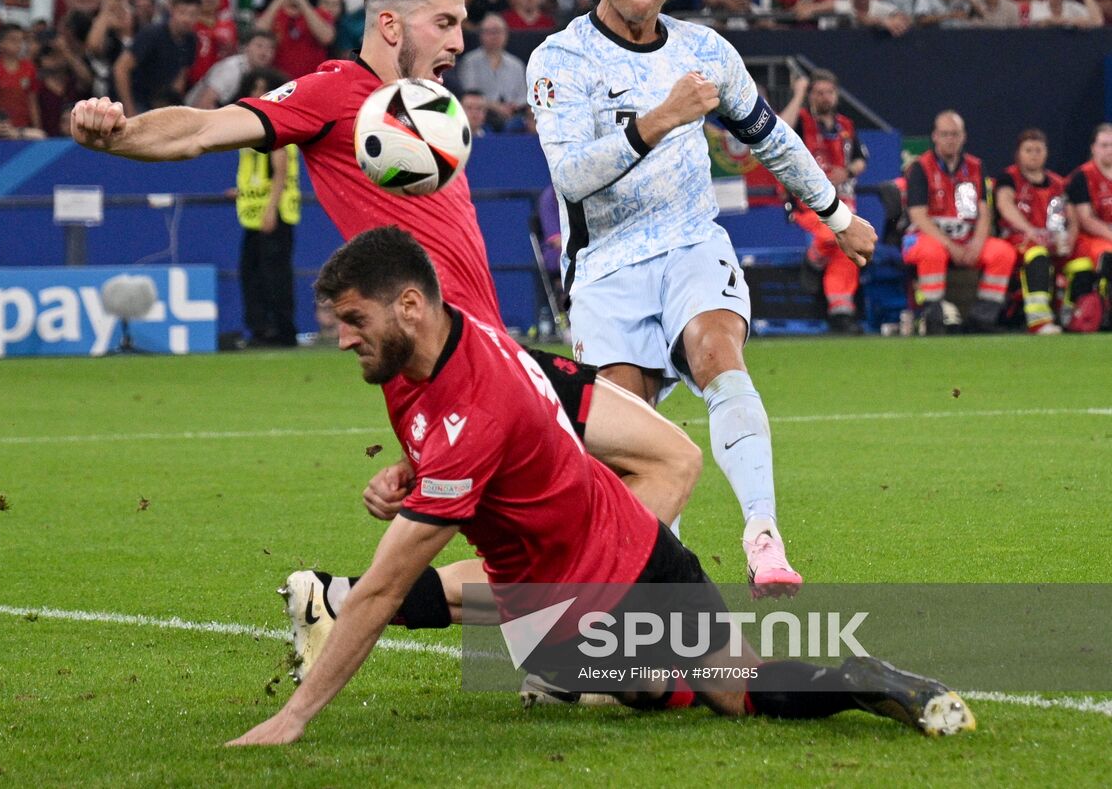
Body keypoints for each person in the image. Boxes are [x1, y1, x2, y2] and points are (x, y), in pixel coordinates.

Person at [70, 0, 704, 624]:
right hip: (461, 372)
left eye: (462, 24)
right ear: (392, 25)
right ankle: (576, 636)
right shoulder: (332, 92)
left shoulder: (429, 107)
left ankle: (372, 604)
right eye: (446, 22)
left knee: (596, 510)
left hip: (493, 359)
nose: (460, 41)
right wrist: (118, 134)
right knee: (666, 460)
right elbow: (204, 128)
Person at [225, 226, 976, 747]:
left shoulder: (470, 405)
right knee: (734, 689)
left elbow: (391, 586)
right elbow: (499, 435)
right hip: (639, 546)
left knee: (622, 674)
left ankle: (333, 597)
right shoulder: (449, 346)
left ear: (411, 306)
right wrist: (416, 471)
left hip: (570, 613)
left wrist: (294, 715)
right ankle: (861, 678)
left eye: (354, 319)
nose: (343, 335)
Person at [526, 0, 876, 594]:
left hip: (690, 242)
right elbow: (570, 176)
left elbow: (769, 136)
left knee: (718, 349)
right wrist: (659, 120)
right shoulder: (560, 58)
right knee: (634, 438)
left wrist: (835, 213)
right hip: (604, 265)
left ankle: (764, 534)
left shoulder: (704, 51)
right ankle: (668, 596)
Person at [902, 110, 1018, 334]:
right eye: (945, 134)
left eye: (955, 134)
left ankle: (982, 319)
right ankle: (933, 315)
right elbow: (918, 215)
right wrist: (950, 245)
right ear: (935, 136)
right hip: (924, 238)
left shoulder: (975, 167)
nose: (950, 139)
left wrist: (977, 243)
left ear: (963, 136)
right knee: (932, 251)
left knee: (1003, 252)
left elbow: (984, 211)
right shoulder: (920, 167)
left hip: (966, 238)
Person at [787, 70, 867, 332]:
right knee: (831, 235)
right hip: (808, 206)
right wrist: (798, 93)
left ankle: (841, 311)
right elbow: (779, 130)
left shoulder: (846, 125)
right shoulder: (801, 121)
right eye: (818, 92)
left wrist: (849, 171)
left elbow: (860, 158)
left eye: (829, 92)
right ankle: (813, 263)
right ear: (811, 95)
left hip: (844, 203)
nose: (825, 97)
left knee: (850, 246)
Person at [234, 68, 300, 348]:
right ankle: (263, 330)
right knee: (252, 272)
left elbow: (280, 169)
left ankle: (280, 331)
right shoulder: (254, 126)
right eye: (253, 87)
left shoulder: (271, 125)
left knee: (272, 276)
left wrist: (271, 209)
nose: (257, 94)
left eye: (263, 88)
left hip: (272, 213)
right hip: (256, 214)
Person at [993, 128, 1071, 334]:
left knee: (1080, 262)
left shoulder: (1058, 183)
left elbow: (1070, 216)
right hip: (1017, 239)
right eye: (1028, 150)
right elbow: (1005, 205)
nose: (1034, 154)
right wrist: (1030, 230)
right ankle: (1039, 320)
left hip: (1051, 239)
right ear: (1019, 153)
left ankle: (1075, 316)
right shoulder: (1008, 178)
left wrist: (1068, 239)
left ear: (1046, 152)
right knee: (1037, 253)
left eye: (1038, 149)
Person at [114, 0, 200, 116]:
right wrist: (129, 109)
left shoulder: (191, 40)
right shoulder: (152, 34)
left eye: (193, 14)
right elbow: (120, 69)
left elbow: (182, 73)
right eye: (182, 12)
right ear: (172, 11)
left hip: (160, 102)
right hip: (135, 98)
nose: (187, 19)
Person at [1063, 123, 1112, 332]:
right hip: (1089, 239)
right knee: (1107, 255)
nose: (1109, 150)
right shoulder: (1082, 177)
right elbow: (1086, 219)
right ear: (1093, 148)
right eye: (1104, 145)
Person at [453, 13, 526, 131]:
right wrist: (496, 107)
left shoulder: (516, 65)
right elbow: (469, 94)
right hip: (482, 116)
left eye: (497, 31)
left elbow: (523, 96)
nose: (494, 36)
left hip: (512, 117)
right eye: (489, 32)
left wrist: (512, 106)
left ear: (506, 34)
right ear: (481, 35)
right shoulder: (470, 61)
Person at [0, 23, 41, 131]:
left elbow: (32, 101)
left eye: (21, 40)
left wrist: (37, 126)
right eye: (13, 40)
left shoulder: (29, 69)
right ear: (0, 44)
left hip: (23, 127)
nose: (18, 45)